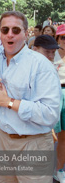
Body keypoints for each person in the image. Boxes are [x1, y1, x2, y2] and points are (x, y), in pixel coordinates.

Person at [0, 11, 60, 183]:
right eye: (5, 30)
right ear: (0, 34)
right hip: (0, 139)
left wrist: (8, 102)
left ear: (26, 34)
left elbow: (50, 114)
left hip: (33, 144)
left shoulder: (41, 66)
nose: (10, 34)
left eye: (16, 30)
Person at [53, 24, 65, 183]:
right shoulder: (51, 54)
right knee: (53, 136)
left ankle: (59, 169)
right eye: (63, 37)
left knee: (63, 137)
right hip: (55, 95)